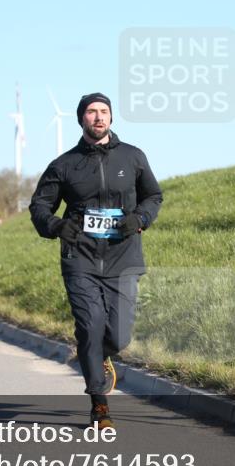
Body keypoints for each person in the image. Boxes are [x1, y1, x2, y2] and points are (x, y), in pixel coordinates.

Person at [30, 92, 162, 430]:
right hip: (81, 258)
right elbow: (39, 207)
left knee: (119, 336)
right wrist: (57, 225)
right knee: (89, 326)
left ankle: (99, 356)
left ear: (112, 118)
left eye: (104, 112)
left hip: (123, 256)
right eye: (91, 112)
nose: (98, 117)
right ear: (81, 119)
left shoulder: (133, 157)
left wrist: (140, 219)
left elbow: (153, 195)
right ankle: (100, 405)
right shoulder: (64, 165)